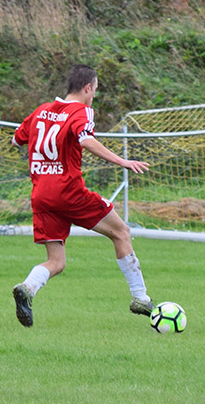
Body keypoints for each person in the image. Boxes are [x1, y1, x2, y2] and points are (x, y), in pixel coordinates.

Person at [10, 64, 156, 327]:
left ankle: (27, 288)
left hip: (41, 194)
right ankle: (140, 298)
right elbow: (85, 139)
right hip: (69, 192)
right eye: (95, 90)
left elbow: (16, 140)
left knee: (56, 261)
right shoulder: (82, 111)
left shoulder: (41, 111)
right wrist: (120, 160)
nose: (94, 97)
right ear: (88, 87)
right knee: (121, 232)